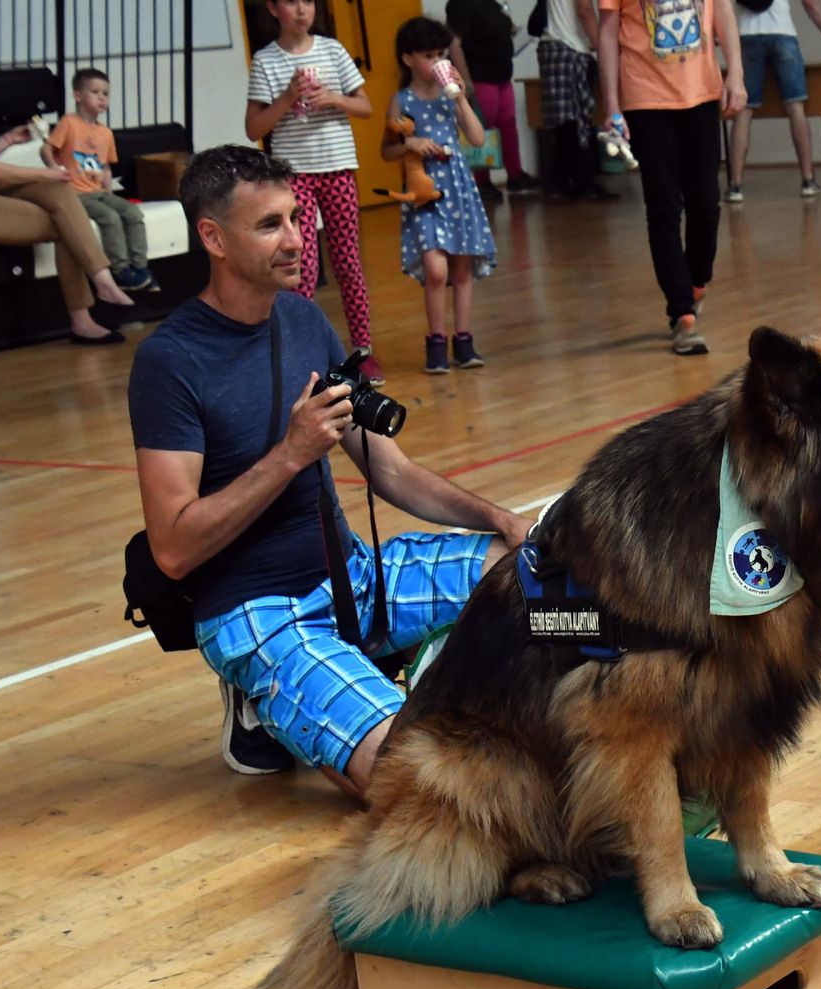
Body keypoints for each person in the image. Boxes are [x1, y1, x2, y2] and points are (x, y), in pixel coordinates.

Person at [128, 145, 531, 800]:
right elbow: (172, 548)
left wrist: (502, 521)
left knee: (537, 578)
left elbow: (389, 470)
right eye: (271, 225)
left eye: (296, 217)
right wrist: (291, 453)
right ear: (214, 238)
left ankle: (361, 667)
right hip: (259, 613)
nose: (296, 238)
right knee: (418, 784)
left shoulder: (302, 318)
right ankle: (271, 699)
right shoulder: (170, 361)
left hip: (352, 582)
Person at [0, 19, 135, 344]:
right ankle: (88, 310)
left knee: (59, 192)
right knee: (63, 220)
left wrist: (7, 139)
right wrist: (45, 172)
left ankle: (102, 282)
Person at [246, 0, 385, 383]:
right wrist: (287, 97)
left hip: (337, 167)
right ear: (273, 9)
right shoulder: (266, 60)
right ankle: (300, 353)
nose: (301, 10)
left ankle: (362, 350)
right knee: (301, 267)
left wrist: (333, 98)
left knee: (348, 261)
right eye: (291, 2)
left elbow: (365, 106)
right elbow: (254, 128)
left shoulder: (332, 50)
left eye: (308, 1)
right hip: (294, 175)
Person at [598, 0, 747, 355]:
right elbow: (608, 33)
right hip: (645, 97)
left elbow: (723, 12)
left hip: (701, 93)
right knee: (664, 207)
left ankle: (696, 283)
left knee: (706, 204)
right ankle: (682, 314)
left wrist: (736, 74)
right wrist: (612, 104)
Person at [383, 18, 499, 375]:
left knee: (461, 268)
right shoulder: (401, 101)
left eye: (440, 55)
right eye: (428, 56)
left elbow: (477, 138)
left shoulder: (451, 97)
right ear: (408, 59)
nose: (436, 62)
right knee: (436, 270)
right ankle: (436, 340)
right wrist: (409, 144)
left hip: (458, 189)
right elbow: (387, 151)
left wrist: (461, 98)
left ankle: (463, 340)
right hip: (424, 194)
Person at [725, 0, 821, 201]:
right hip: (783, 33)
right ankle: (808, 180)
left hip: (747, 37)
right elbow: (810, 4)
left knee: (743, 111)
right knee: (795, 106)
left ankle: (735, 186)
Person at [43, 67, 155, 292]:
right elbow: (46, 149)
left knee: (133, 213)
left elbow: (105, 166)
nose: (102, 98)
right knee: (110, 218)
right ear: (78, 96)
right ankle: (120, 270)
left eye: (105, 93)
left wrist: (108, 189)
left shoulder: (106, 133)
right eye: (95, 92)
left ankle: (140, 267)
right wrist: (55, 170)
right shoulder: (69, 122)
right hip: (76, 193)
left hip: (99, 192)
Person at [446, 0, 538, 199]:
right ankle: (481, 181)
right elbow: (454, 44)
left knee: (508, 124)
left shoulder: (493, 4)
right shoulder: (460, 4)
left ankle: (515, 175)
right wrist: (466, 81)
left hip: (502, 75)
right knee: (482, 128)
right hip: (480, 76)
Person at [536, 0, 617, 202]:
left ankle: (564, 185)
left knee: (564, 122)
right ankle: (582, 184)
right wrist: (603, 48)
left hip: (554, 46)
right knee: (577, 121)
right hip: (569, 47)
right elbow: (585, 10)